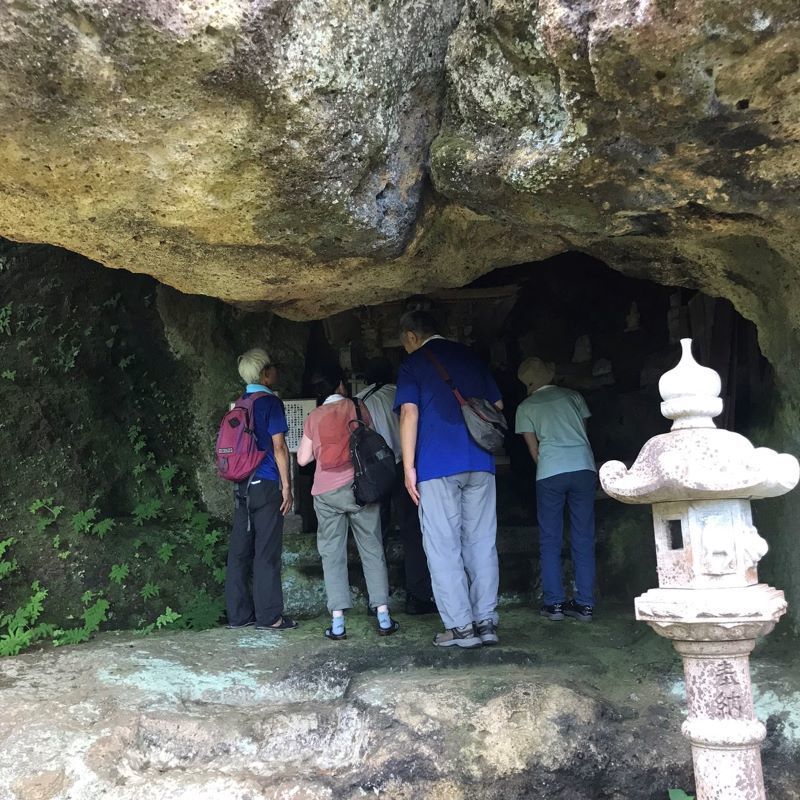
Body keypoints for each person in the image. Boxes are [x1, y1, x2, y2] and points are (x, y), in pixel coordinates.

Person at [395, 310, 503, 648]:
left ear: (411, 336)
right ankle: (486, 622)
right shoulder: (471, 357)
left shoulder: (413, 364)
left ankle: (461, 628)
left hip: (436, 464)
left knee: (443, 545)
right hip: (481, 461)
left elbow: (409, 412)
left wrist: (408, 467)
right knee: (481, 542)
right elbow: (498, 405)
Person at [296, 364, 399, 640]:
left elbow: (303, 459)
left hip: (327, 493)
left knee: (332, 553)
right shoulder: (357, 407)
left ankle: (338, 622)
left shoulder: (314, 416)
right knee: (372, 547)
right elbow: (371, 440)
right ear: (341, 385)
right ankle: (383, 616)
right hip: (361, 488)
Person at [515, 356, 597, 623]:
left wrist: (549, 465)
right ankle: (585, 605)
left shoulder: (525, 407)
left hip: (550, 471)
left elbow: (534, 450)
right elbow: (583, 434)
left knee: (550, 539)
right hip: (583, 467)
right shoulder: (574, 397)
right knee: (583, 537)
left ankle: (555, 604)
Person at [356, 358, 436, 616]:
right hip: (403, 465)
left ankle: (377, 600)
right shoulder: (399, 393)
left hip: (373, 471)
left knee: (375, 533)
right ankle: (418, 596)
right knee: (413, 530)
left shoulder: (358, 400)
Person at [225, 348, 297, 631]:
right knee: (266, 551)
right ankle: (269, 617)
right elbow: (279, 447)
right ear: (265, 373)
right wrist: (287, 486)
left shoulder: (239, 404)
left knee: (239, 552)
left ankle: (238, 616)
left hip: (242, 485)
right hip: (265, 484)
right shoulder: (270, 403)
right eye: (273, 366)